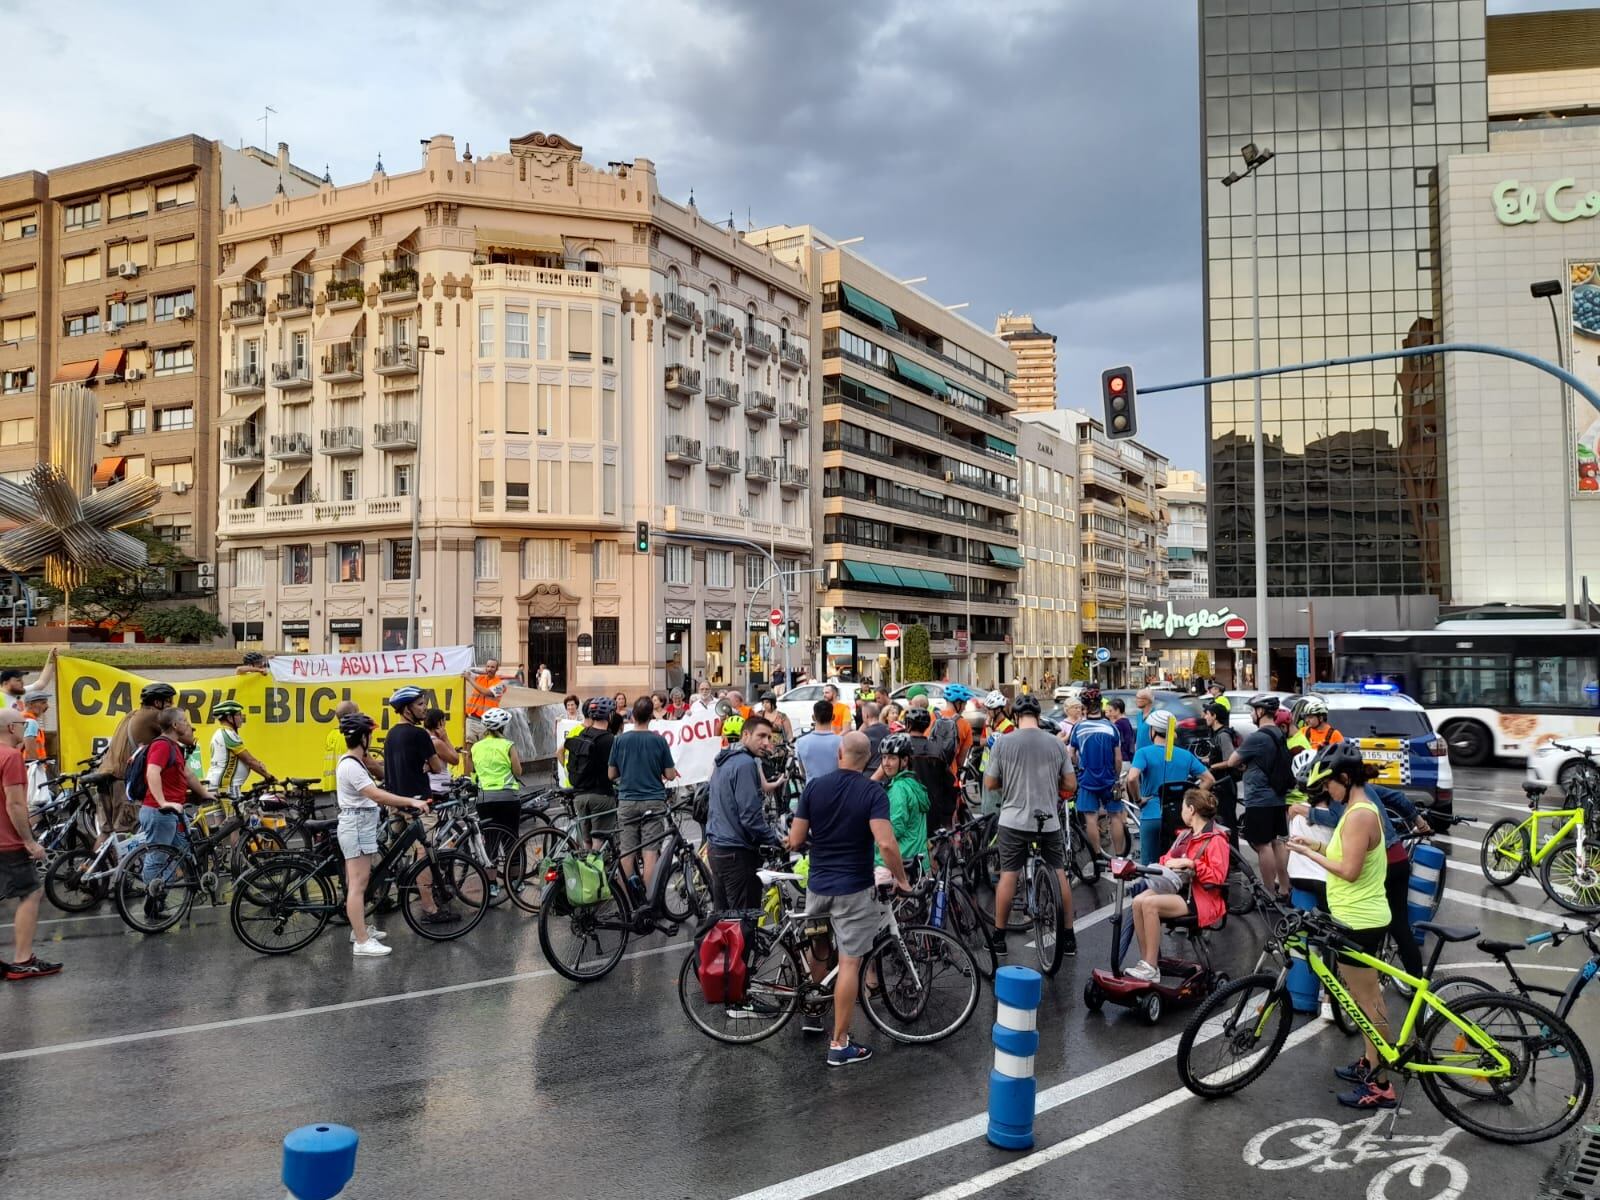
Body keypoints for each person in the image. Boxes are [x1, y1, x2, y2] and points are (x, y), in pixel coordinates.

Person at [787, 731, 910, 1065]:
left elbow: (797, 839)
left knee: (819, 948)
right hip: (853, 888)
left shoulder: (814, 787)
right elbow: (885, 843)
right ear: (868, 758)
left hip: (818, 886)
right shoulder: (872, 792)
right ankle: (839, 1044)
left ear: (840, 752)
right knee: (850, 964)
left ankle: (813, 1012)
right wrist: (901, 878)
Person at [1288, 744, 1398, 1109]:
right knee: (1364, 999)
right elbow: (1349, 854)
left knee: (1368, 1003)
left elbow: (1349, 871)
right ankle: (1370, 1062)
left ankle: (1381, 1085)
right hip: (1357, 916)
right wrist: (1316, 843)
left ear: (1346, 779)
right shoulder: (1358, 809)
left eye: (1330, 785)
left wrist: (1309, 854)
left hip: (1359, 920)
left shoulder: (1359, 815)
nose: (1327, 793)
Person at [984, 694, 1078, 958]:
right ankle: (1069, 937)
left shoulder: (1003, 743)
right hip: (1048, 820)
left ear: (1015, 716)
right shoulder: (1055, 744)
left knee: (1009, 876)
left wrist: (1011, 784)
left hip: (1013, 820)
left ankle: (999, 937)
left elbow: (990, 783)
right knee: (1059, 872)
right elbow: (1070, 785)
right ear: (1038, 717)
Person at [335, 712, 431, 957]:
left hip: (359, 825)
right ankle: (362, 942)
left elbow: (378, 786)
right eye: (369, 734)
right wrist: (410, 800)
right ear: (363, 737)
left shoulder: (355, 762)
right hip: (356, 826)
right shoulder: (350, 765)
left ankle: (359, 930)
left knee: (357, 882)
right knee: (358, 884)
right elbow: (375, 795)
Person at [1123, 786, 1232, 982]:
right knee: (1138, 901)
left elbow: (1218, 877)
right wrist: (1167, 864)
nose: (1180, 812)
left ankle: (1150, 966)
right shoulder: (1185, 835)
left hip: (1202, 898)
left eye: (1182, 808)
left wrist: (1191, 864)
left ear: (1191, 810)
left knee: (1149, 904)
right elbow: (1167, 857)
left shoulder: (1217, 840)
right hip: (1181, 890)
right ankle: (1148, 962)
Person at [382, 686, 458, 926]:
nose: (424, 708)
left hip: (395, 802)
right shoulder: (419, 735)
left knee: (391, 853)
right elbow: (437, 766)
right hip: (418, 804)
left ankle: (381, 896)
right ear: (407, 709)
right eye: (420, 705)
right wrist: (427, 766)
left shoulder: (391, 734)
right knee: (426, 854)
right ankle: (430, 908)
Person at [0, 706, 58, 979]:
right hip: (7, 841)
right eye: (22, 726)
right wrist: (29, 841)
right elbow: (14, 803)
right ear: (12, 729)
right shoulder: (11, 756)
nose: (26, 730)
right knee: (31, 892)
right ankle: (23, 959)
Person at [705, 714, 785, 911]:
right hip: (736, 852)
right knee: (744, 921)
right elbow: (750, 817)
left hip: (717, 848)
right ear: (746, 734)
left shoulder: (724, 759)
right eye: (761, 736)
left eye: (769, 738)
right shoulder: (745, 764)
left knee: (723, 919)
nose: (766, 743)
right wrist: (775, 840)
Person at [139, 708, 214, 916]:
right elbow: (152, 771)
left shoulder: (174, 747)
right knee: (158, 858)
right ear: (174, 725)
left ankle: (163, 890)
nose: (187, 724)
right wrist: (163, 801)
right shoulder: (162, 745)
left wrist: (206, 793)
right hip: (159, 811)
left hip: (172, 812)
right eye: (184, 721)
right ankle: (153, 900)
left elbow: (187, 774)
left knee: (185, 855)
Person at [1124, 709, 1215, 864]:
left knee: (1150, 867)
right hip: (1180, 816)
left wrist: (1138, 800)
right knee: (1177, 864)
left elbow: (1132, 778)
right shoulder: (1185, 754)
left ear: (1153, 731)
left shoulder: (1143, 753)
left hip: (1152, 815)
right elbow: (1209, 779)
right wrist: (1191, 801)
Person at [1226, 693, 1294, 899]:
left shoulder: (1258, 737)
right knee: (1277, 842)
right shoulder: (1279, 734)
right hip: (1277, 796)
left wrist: (1244, 763)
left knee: (1262, 845)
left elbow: (1231, 761)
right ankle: (1284, 887)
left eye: (1252, 710)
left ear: (1261, 711)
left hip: (1259, 797)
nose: (1250, 714)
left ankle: (1268, 892)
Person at [607, 696, 678, 888]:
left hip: (627, 800)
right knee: (650, 852)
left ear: (632, 717)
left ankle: (625, 903)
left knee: (627, 851)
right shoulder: (659, 741)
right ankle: (648, 901)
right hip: (653, 801)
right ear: (651, 717)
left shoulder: (620, 740)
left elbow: (611, 774)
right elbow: (670, 775)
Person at [101, 681, 175, 838]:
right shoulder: (154, 715)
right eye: (169, 701)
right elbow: (177, 733)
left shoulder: (131, 715)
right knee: (125, 832)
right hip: (122, 781)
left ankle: (91, 863)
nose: (172, 706)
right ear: (157, 702)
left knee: (106, 833)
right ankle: (123, 863)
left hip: (106, 777)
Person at [1068, 687, 1124, 860]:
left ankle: (1098, 856)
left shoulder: (1078, 728)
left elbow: (1071, 754)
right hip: (1109, 779)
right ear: (1101, 705)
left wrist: (1079, 766)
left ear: (1084, 707)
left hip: (1087, 780)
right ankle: (1119, 857)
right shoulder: (1111, 728)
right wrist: (1115, 777)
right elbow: (1118, 759)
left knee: (1090, 818)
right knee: (1115, 816)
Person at [466, 708, 522, 862]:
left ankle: (491, 884)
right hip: (508, 797)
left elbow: (470, 773)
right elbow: (518, 772)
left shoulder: (476, 747)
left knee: (491, 840)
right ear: (503, 727)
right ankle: (515, 883)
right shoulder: (508, 745)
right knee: (511, 839)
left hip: (485, 799)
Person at [874, 734, 929, 873]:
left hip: (898, 863)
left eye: (892, 758)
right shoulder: (912, 783)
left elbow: (893, 830)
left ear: (904, 761)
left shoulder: (898, 789)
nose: (886, 763)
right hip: (917, 858)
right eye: (884, 757)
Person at [566, 698, 616, 849]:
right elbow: (614, 771)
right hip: (601, 796)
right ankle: (596, 871)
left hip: (579, 796)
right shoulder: (610, 739)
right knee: (599, 841)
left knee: (586, 841)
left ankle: (585, 871)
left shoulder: (582, 734)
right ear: (610, 715)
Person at [902, 706, 958, 839]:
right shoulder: (937, 750)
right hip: (932, 807)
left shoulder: (901, 748)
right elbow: (949, 782)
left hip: (906, 807)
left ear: (908, 724)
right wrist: (947, 814)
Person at [205, 700, 273, 800]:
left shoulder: (222, 733)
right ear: (229, 718)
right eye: (239, 715)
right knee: (239, 815)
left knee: (223, 816)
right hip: (228, 786)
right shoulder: (228, 734)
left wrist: (258, 764)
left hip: (220, 784)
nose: (242, 718)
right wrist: (269, 777)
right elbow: (249, 761)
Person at [1201, 701, 1241, 844]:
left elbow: (1230, 760)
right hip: (1219, 783)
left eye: (1207, 714)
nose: (1205, 717)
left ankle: (1234, 860)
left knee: (1227, 822)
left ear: (1214, 716)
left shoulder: (1223, 735)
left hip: (1224, 784)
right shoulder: (1215, 734)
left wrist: (1213, 766)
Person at [795, 700, 843, 781]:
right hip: (836, 790)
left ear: (813, 717)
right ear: (833, 717)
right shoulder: (842, 742)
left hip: (811, 790)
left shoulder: (801, 742)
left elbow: (803, 772)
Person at [465, 659, 507, 742]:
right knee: (469, 747)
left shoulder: (501, 685)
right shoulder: (479, 678)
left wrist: (470, 679)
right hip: (472, 718)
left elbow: (487, 692)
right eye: (488, 666)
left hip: (487, 722)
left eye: (492, 667)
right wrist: (482, 671)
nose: (490, 669)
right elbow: (467, 671)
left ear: (497, 669)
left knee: (484, 748)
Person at [423, 708, 461, 797]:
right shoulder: (436, 743)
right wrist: (445, 738)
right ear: (440, 722)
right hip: (439, 787)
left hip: (427, 785)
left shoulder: (422, 738)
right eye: (444, 721)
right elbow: (455, 760)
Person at [859, 703, 889, 777]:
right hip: (888, 773)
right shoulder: (889, 729)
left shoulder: (865, 735)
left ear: (866, 715)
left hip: (870, 774)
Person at [1106, 697, 1136, 761]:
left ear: (1118, 710)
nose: (1109, 713)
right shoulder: (1125, 721)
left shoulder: (1120, 723)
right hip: (1127, 756)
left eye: (1110, 711)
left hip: (1123, 757)